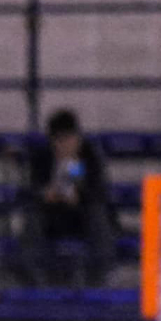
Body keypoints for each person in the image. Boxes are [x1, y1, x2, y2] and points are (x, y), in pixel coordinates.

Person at [21, 108, 115, 287]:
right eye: (60, 140)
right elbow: (30, 191)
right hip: (52, 217)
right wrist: (45, 195)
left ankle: (97, 282)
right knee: (32, 220)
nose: (65, 145)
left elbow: (99, 191)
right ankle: (36, 283)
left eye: (70, 138)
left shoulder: (90, 156)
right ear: (52, 141)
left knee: (98, 216)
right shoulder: (42, 158)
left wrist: (80, 196)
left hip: (81, 215)